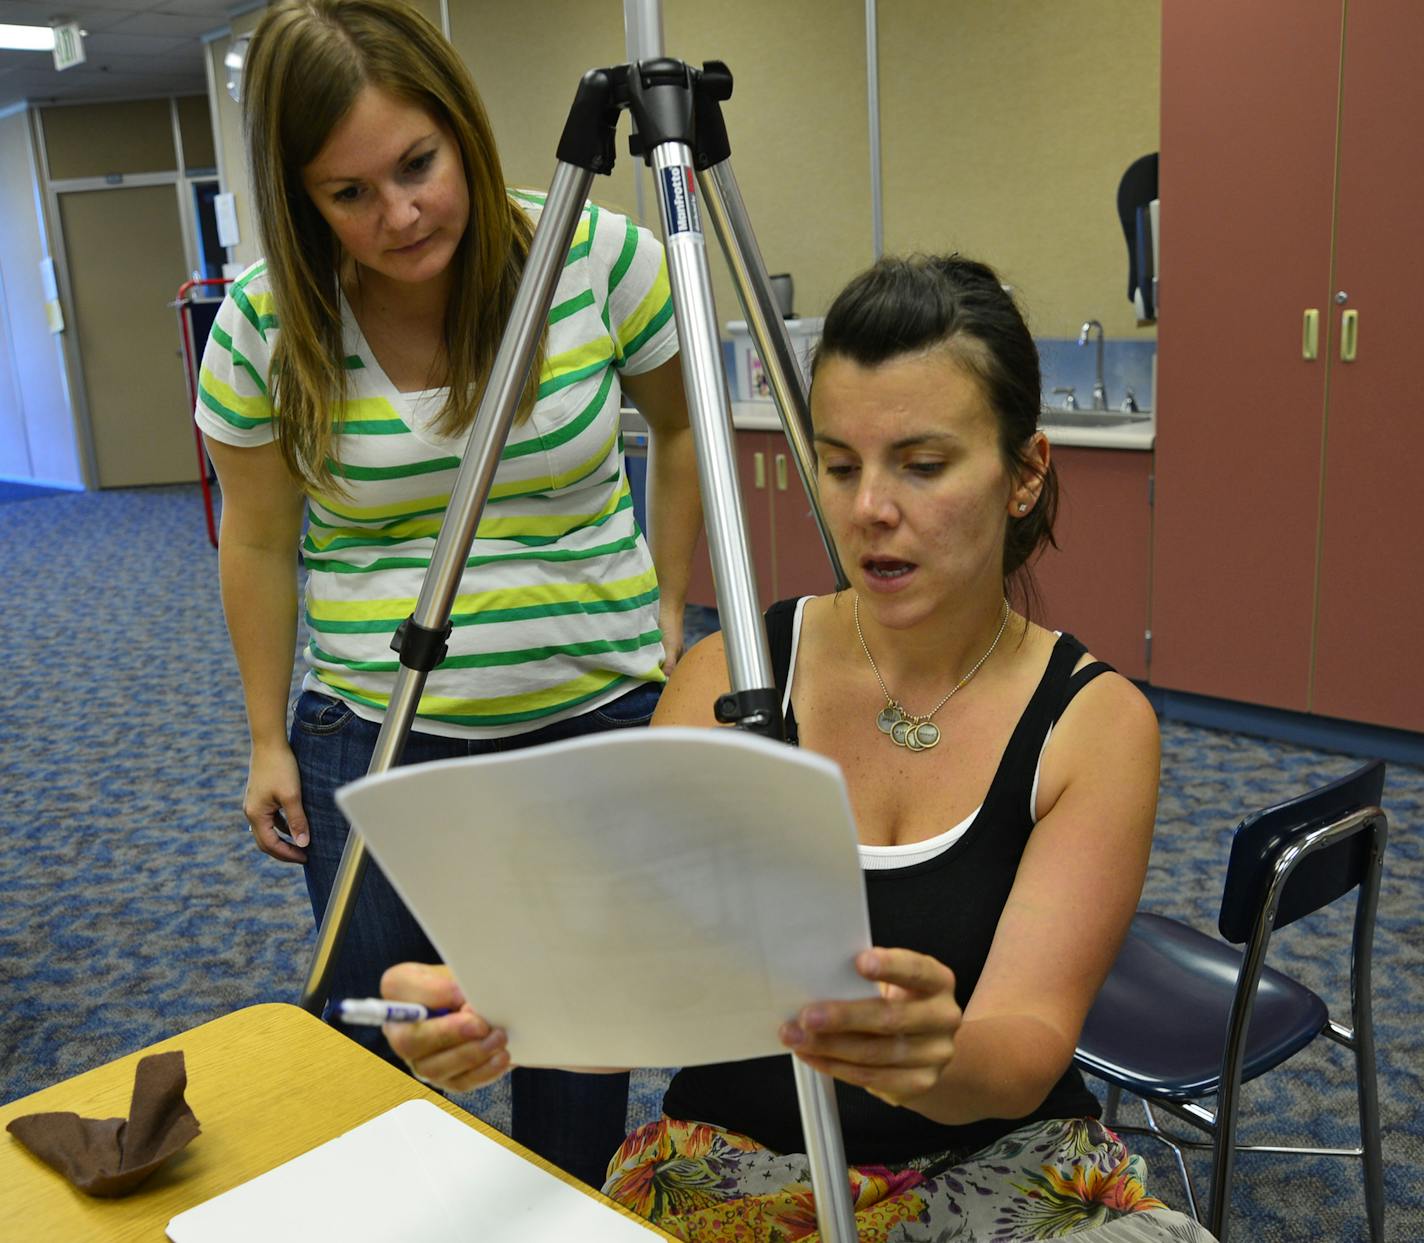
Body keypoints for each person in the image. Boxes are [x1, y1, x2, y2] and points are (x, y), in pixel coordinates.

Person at [379, 255, 1217, 1241]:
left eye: (921, 462)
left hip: (999, 1161)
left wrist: (931, 1055)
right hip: (735, 1164)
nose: (868, 509)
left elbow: (1025, 1042)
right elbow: (622, 974)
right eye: (839, 462)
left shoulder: (1093, 722)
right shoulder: (731, 677)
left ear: (1024, 472)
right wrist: (499, 1008)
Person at [194, 0, 700, 1190]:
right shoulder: (268, 322)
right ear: (298, 196)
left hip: (592, 730)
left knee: (573, 1055)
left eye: (417, 165)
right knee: (384, 1056)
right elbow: (258, 543)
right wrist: (267, 735)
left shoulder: (593, 255)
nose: (400, 214)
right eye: (348, 193)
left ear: (461, 131)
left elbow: (682, 432)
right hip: (378, 741)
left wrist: (669, 617)